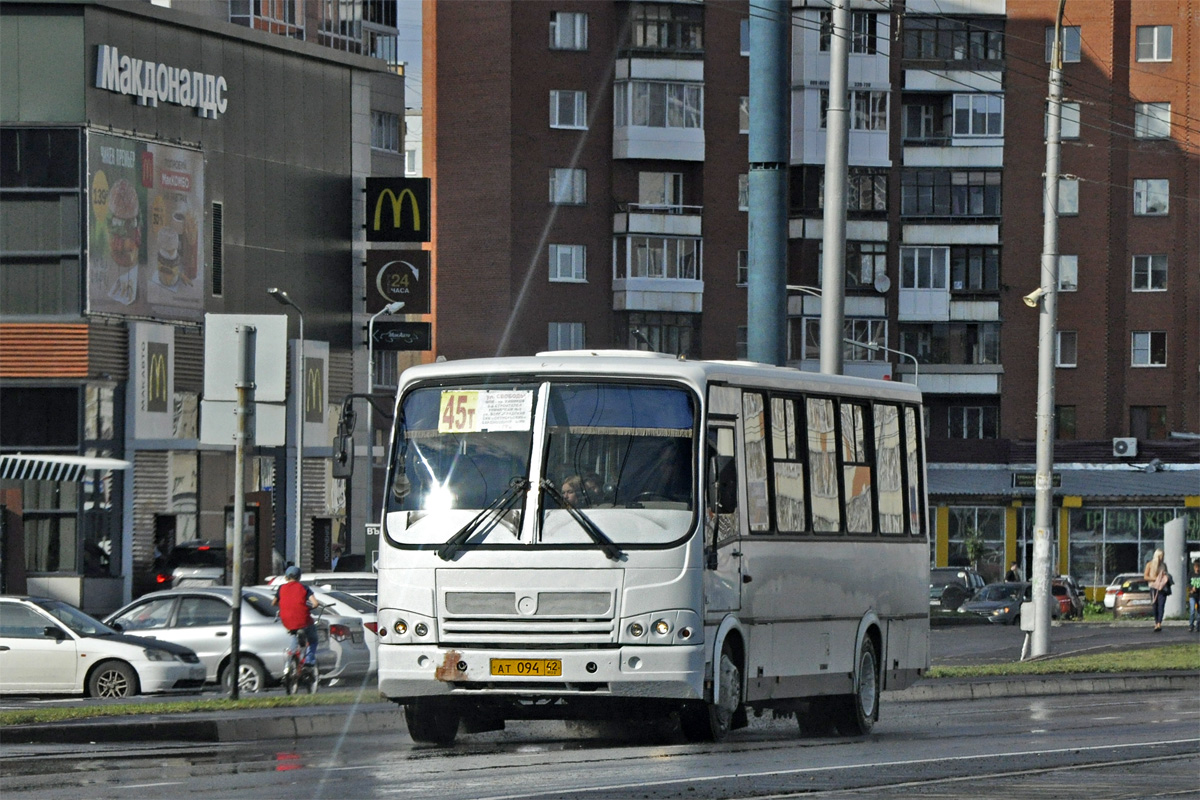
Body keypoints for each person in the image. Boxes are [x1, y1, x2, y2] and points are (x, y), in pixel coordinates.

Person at [272, 565, 319, 665]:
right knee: (313, 639)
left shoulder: (281, 588)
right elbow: (315, 603)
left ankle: (288, 663)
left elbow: (273, 603)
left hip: (286, 621)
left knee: (294, 635)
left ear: (286, 577)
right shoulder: (304, 588)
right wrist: (308, 608)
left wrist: (284, 605)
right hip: (304, 620)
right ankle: (309, 660)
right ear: (299, 577)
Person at [1143, 549, 1171, 632]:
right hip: (1153, 587)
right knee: (1155, 605)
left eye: (1163, 556)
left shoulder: (1164, 565)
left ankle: (1159, 623)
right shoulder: (1150, 564)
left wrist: (1165, 577)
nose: (1162, 558)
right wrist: (1156, 579)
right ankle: (1156, 622)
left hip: (1162, 588)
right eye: (1161, 556)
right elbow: (1145, 576)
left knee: (1161, 605)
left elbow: (1167, 575)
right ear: (1157, 556)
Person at [1188, 560, 1200, 633]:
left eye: (1198, 567)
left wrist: (1197, 588)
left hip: (1199, 595)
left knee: (1199, 611)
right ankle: (1191, 625)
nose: (1197, 569)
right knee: (1192, 610)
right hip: (1192, 595)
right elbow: (1188, 583)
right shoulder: (1191, 574)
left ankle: (1198, 625)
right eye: (1196, 567)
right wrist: (1191, 588)